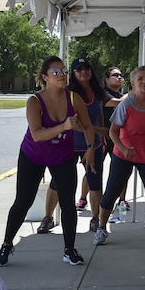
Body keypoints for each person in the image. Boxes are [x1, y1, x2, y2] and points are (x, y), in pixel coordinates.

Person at [0, 56, 96, 267]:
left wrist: (90, 148)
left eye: (64, 71)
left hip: (63, 156)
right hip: (33, 155)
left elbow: (87, 126)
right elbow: (37, 134)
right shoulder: (34, 101)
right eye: (56, 72)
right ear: (45, 77)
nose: (62, 75)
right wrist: (64, 126)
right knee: (23, 201)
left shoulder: (73, 98)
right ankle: (6, 244)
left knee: (68, 203)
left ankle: (69, 249)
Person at [94, 66, 145, 246]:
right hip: (123, 156)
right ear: (133, 83)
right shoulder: (126, 105)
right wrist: (123, 148)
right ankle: (101, 228)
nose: (144, 82)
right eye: (140, 79)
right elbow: (113, 131)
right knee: (111, 192)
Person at [37, 58, 110, 237]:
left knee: (95, 180)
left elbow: (99, 114)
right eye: (78, 69)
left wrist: (100, 137)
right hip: (69, 144)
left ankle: (95, 218)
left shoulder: (97, 92)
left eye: (86, 68)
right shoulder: (69, 94)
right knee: (58, 182)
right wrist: (97, 130)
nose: (83, 71)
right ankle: (48, 217)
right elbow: (75, 124)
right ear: (73, 73)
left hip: (93, 144)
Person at [100, 66, 129, 212]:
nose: (119, 77)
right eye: (115, 75)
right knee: (94, 170)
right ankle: (84, 198)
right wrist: (132, 93)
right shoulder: (103, 94)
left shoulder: (123, 95)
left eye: (121, 75)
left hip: (118, 139)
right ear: (106, 79)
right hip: (102, 137)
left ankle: (122, 200)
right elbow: (116, 102)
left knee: (121, 171)